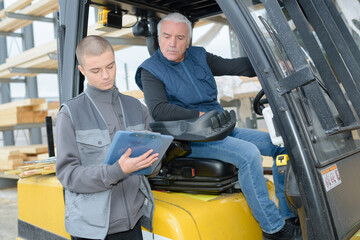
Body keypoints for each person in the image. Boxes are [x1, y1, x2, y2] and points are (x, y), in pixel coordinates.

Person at [135, 12, 301, 240]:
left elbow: (235, 66)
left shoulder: (198, 56)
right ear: (159, 37)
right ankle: (273, 229)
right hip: (190, 138)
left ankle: (286, 215)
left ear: (188, 40)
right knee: (249, 154)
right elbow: (159, 110)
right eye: (167, 36)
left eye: (180, 38)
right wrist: (199, 114)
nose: (172, 43)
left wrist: (273, 64)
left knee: (283, 145)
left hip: (219, 129)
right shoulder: (150, 70)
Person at [56, 35, 159, 240]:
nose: (106, 75)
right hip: (92, 229)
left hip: (133, 222)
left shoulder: (137, 108)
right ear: (82, 71)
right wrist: (116, 172)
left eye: (110, 66)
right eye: (96, 70)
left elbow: (152, 166)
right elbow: (68, 175)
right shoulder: (70, 113)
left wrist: (153, 161)